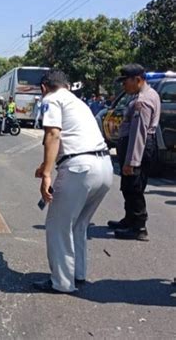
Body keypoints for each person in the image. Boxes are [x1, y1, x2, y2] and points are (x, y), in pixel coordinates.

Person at [33, 69, 113, 293]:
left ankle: (61, 282)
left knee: (58, 225)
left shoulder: (51, 99)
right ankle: (78, 274)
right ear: (67, 85)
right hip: (104, 167)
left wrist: (47, 174)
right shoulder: (78, 102)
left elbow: (53, 135)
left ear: (44, 87)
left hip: (79, 169)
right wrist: (45, 167)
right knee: (79, 224)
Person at [108, 64, 161, 241]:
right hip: (140, 146)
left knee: (134, 187)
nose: (124, 86)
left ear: (137, 80)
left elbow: (139, 133)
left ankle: (139, 227)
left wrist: (132, 161)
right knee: (129, 186)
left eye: (125, 82)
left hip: (139, 147)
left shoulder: (142, 101)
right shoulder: (148, 94)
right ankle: (130, 219)